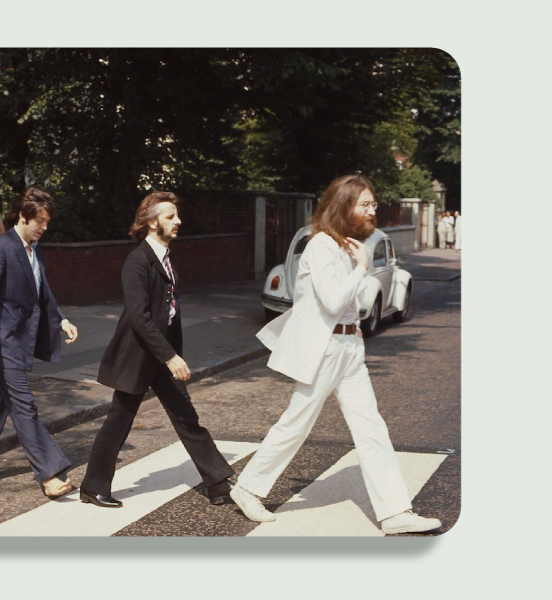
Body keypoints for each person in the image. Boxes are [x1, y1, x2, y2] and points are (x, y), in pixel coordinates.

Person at [230, 174, 440, 534]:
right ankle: (248, 489)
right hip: (324, 349)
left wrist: (359, 276)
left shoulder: (343, 246)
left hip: (349, 346)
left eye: (373, 204)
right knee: (297, 423)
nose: (373, 210)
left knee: (372, 427)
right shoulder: (321, 245)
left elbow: (348, 304)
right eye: (366, 204)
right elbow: (331, 300)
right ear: (345, 206)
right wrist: (361, 267)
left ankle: (394, 513)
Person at [79, 192, 235, 508]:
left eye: (176, 216)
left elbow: (168, 311)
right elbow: (139, 317)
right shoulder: (138, 261)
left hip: (160, 357)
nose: (178, 221)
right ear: (152, 223)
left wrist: (170, 353)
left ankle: (218, 483)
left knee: (186, 417)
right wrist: (170, 356)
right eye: (170, 217)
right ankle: (92, 487)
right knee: (118, 422)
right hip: (138, 357)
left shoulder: (164, 256)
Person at [0, 187, 80, 498]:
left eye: (47, 221)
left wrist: (60, 320)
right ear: (22, 217)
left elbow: (42, 289)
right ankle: (49, 472)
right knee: (24, 406)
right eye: (40, 221)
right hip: (3, 340)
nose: (44, 227)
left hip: (22, 339)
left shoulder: (33, 247)